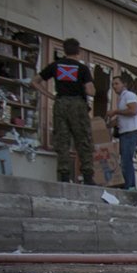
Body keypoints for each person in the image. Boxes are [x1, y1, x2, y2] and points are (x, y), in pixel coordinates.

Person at [32, 38, 96, 184]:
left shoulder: (55, 65)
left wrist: (50, 96)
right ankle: (87, 176)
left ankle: (64, 177)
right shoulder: (82, 68)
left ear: (64, 50)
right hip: (78, 105)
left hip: (60, 104)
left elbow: (34, 82)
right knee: (83, 140)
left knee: (62, 140)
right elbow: (90, 91)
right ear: (78, 52)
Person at [106, 75, 137, 190]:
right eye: (113, 84)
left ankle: (128, 186)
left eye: (117, 84)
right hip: (125, 133)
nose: (114, 86)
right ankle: (131, 186)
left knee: (126, 161)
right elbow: (121, 118)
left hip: (131, 132)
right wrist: (106, 125)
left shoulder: (129, 95)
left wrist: (115, 111)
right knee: (126, 160)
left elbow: (133, 110)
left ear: (124, 84)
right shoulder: (121, 99)